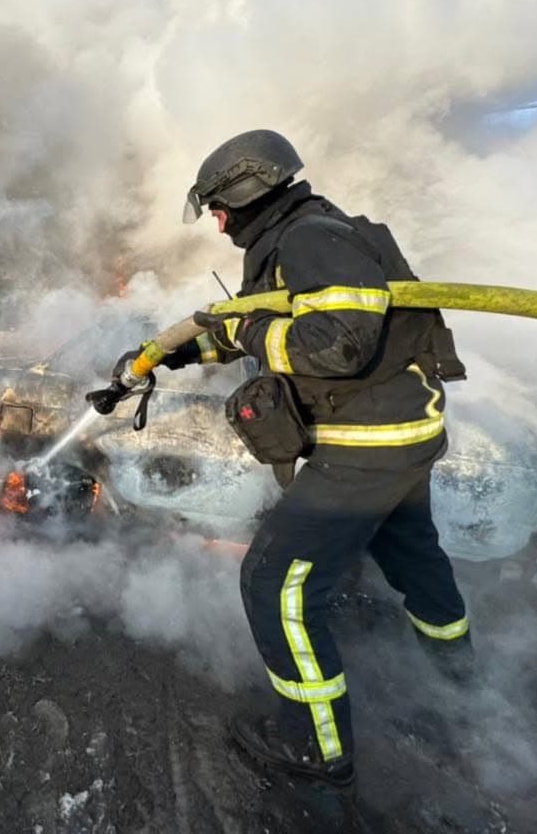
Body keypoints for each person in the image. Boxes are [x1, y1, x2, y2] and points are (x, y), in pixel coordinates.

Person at [139, 129, 472, 787]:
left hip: (365, 446)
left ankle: (316, 747)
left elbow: (336, 345)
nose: (217, 222)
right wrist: (173, 353)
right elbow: (261, 326)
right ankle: (460, 684)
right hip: (401, 438)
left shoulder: (310, 240)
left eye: (218, 208)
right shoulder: (300, 238)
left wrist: (243, 329)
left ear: (246, 191)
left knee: (274, 584)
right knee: (416, 561)